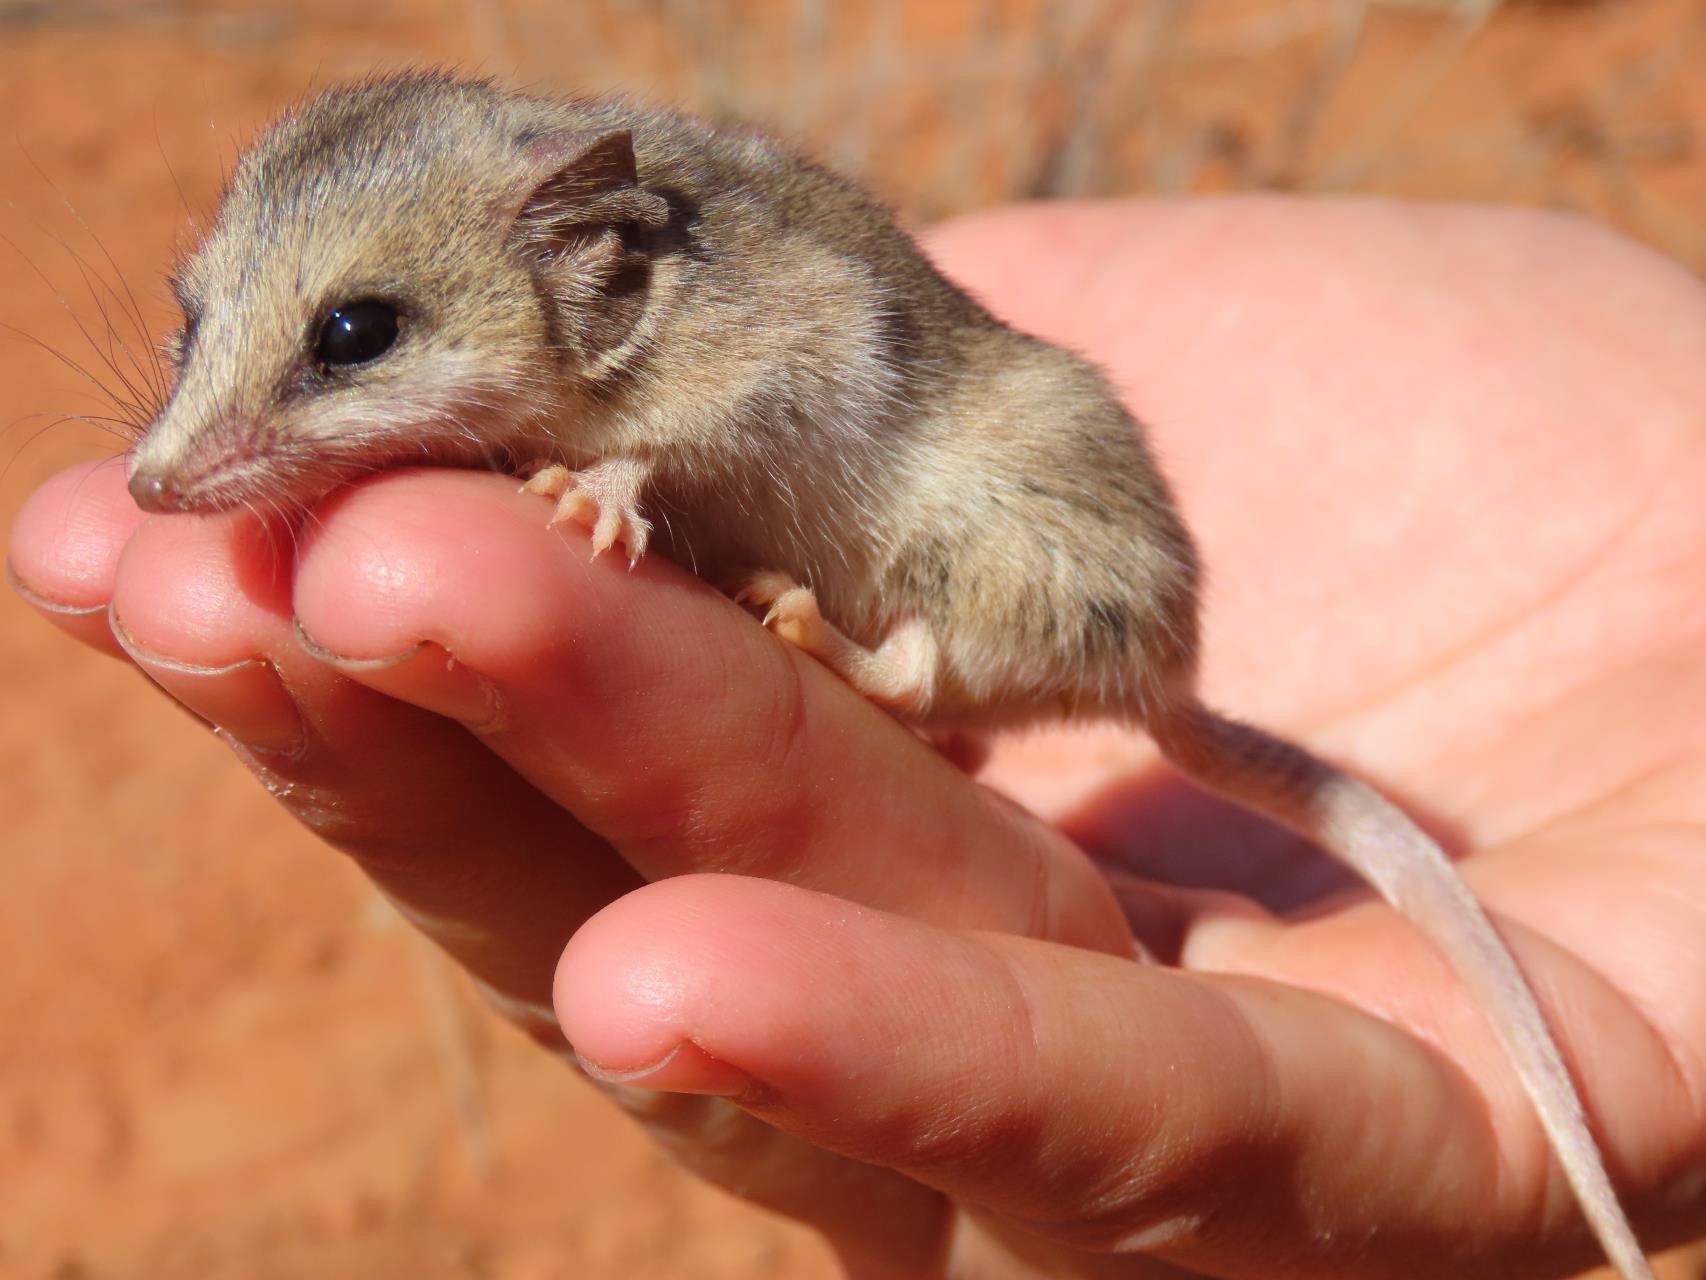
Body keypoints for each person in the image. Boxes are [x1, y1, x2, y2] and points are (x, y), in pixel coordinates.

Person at [9, 198, 1704, 1278]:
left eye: (349, 345)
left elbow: (809, 348)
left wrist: (634, 479)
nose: (174, 463)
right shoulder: (572, 305)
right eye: (195, 335)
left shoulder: (694, 306)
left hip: (1032, 562)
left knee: (969, 511)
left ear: (595, 278)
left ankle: (910, 684)